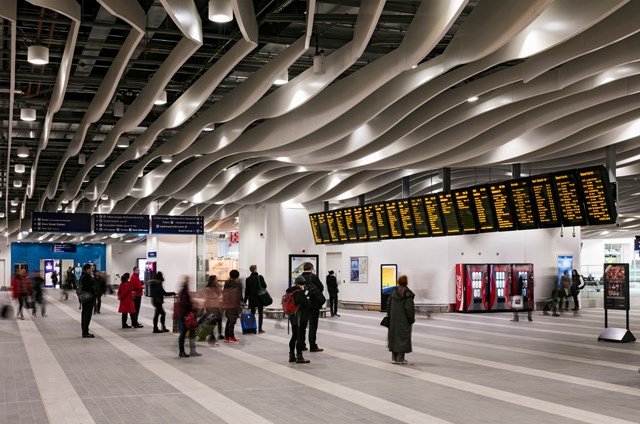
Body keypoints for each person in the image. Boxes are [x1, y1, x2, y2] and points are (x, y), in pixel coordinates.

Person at [386, 275, 415, 364]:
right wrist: (411, 319)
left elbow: (388, 304)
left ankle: (394, 357)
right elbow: (409, 308)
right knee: (403, 338)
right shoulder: (407, 293)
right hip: (404, 320)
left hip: (393, 320)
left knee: (394, 337)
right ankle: (400, 358)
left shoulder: (393, 292)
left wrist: (390, 316)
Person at [300, 262, 325, 352]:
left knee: (302, 325)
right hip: (313, 304)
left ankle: (302, 345)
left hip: (303, 305)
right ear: (311, 268)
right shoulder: (313, 276)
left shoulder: (299, 277)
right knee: (312, 325)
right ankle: (313, 345)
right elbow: (321, 288)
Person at [286, 275, 311, 363]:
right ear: (302, 284)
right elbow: (307, 304)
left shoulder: (290, 291)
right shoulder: (299, 293)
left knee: (294, 336)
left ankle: (291, 355)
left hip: (293, 317)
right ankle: (299, 357)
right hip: (300, 317)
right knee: (300, 337)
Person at [176, 276, 200, 358]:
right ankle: (181, 351)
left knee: (189, 333)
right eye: (187, 280)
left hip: (184, 314)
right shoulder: (184, 291)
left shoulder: (185, 290)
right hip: (184, 315)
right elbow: (184, 303)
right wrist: (192, 305)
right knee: (183, 333)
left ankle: (192, 350)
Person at [244, 265, 267, 333]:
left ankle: (252, 328)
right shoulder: (260, 277)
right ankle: (260, 329)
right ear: (256, 269)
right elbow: (265, 286)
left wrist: (245, 300)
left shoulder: (248, 279)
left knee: (252, 313)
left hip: (252, 299)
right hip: (260, 298)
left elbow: (246, 290)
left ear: (250, 270)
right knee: (260, 313)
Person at [223, 270, 243, 342]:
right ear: (237, 276)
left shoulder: (226, 283)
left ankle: (226, 336)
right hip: (234, 304)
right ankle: (231, 336)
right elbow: (239, 295)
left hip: (227, 304)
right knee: (232, 320)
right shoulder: (237, 285)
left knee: (229, 320)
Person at [204, 275, 224, 343]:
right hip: (216, 305)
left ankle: (212, 335)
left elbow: (206, 298)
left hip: (210, 305)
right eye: (216, 279)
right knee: (219, 320)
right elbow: (220, 295)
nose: (217, 279)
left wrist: (205, 307)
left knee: (212, 321)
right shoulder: (216, 287)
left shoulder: (207, 288)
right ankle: (219, 334)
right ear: (213, 280)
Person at [79, 263, 96, 338]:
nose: (91, 270)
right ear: (87, 269)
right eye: (90, 268)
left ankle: (85, 331)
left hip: (86, 298)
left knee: (85, 315)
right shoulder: (85, 277)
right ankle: (85, 332)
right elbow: (87, 287)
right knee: (87, 315)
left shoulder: (84, 276)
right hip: (88, 298)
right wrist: (93, 289)